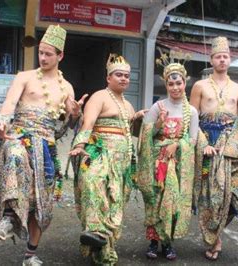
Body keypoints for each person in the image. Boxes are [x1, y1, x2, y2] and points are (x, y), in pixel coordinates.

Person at [0, 24, 85, 266]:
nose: (42, 57)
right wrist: (0, 123)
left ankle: (30, 254)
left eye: (48, 54)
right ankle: (9, 217)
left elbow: (61, 130)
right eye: (40, 52)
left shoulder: (67, 88)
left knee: (41, 205)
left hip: (46, 147)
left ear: (60, 55)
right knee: (16, 155)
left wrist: (73, 116)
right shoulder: (24, 77)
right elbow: (8, 106)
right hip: (19, 136)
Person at [189, 36, 238, 261]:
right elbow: (191, 118)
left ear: (230, 60)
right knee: (210, 196)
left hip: (231, 142)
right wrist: (203, 144)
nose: (222, 60)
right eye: (218, 56)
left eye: (225, 56)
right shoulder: (200, 85)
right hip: (206, 142)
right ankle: (214, 239)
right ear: (212, 59)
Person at [68, 54, 145, 265]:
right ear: (108, 77)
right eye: (118, 75)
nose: (123, 79)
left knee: (115, 204)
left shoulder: (128, 105)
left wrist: (138, 119)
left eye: (127, 76)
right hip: (99, 155)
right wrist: (80, 145)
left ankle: (104, 251)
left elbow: (131, 133)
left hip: (122, 163)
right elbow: (88, 124)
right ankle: (94, 231)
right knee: (93, 185)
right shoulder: (99, 97)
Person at [136, 54, 199, 260]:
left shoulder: (192, 111)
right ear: (166, 84)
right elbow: (145, 136)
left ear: (184, 83)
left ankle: (168, 243)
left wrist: (176, 145)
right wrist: (159, 124)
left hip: (178, 163)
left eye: (178, 83)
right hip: (157, 161)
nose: (175, 87)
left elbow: (193, 140)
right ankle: (154, 242)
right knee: (155, 200)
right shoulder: (158, 107)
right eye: (170, 83)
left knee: (172, 201)